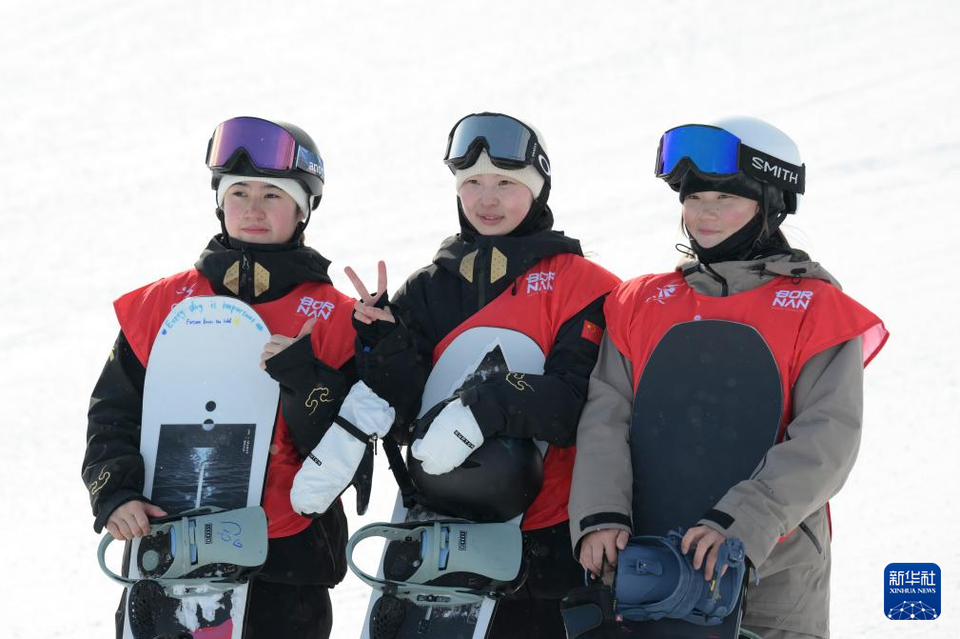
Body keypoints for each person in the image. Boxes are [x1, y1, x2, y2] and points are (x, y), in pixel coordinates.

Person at [568, 116, 888, 638]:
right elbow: (606, 417)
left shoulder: (815, 307)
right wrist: (600, 514)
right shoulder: (642, 302)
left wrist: (739, 524)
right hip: (650, 562)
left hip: (773, 567)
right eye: (694, 199)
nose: (704, 214)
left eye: (724, 198)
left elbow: (828, 438)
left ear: (769, 201)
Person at [82, 116, 371, 639]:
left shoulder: (339, 319)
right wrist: (115, 493)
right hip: (169, 543)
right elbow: (114, 412)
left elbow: (352, 448)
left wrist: (306, 382)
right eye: (239, 192)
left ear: (303, 208)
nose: (253, 209)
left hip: (288, 560)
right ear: (220, 201)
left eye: (272, 195)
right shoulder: (158, 305)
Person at [348, 112, 621, 637]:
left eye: (505, 184)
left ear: (538, 190)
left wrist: (487, 403)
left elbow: (577, 404)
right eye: (472, 183)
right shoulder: (427, 288)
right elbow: (404, 420)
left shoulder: (587, 285)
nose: (486, 199)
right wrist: (385, 347)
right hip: (435, 533)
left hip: (545, 542)